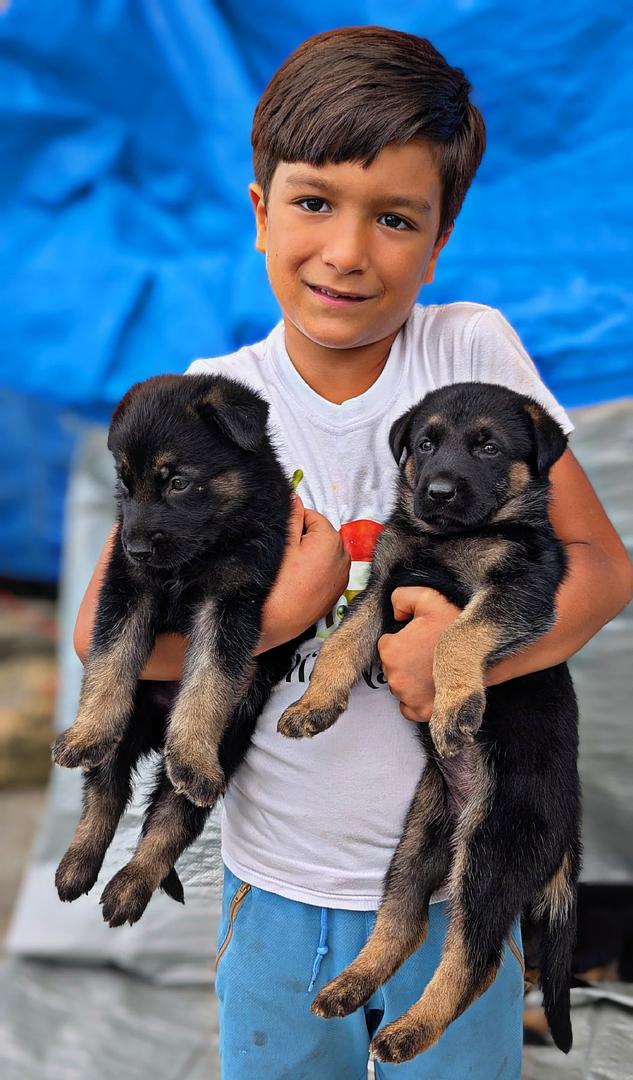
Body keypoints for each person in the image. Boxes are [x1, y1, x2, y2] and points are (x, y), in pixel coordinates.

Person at [74, 26, 633, 1079]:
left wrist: (466, 661)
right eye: (316, 202)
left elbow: (602, 568)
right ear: (259, 211)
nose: (346, 251)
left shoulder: (468, 350)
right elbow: (101, 637)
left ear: (438, 239)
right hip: (272, 880)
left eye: (394, 220)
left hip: (445, 880)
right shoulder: (213, 397)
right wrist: (282, 622)